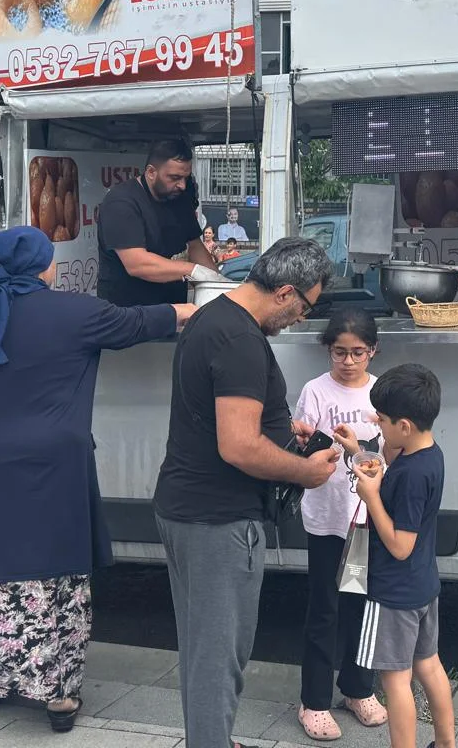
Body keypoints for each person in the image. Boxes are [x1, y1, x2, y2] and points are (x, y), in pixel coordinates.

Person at [0, 227, 194, 733]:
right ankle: (57, 695)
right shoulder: (78, 313)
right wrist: (212, 306)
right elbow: (150, 321)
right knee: (48, 572)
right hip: (43, 469)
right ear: (43, 268)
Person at [153, 237, 343, 748]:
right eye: (305, 306)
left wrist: (285, 436)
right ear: (284, 291)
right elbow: (238, 446)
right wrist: (303, 472)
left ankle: (210, 738)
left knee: (203, 649)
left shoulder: (215, 319)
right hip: (218, 518)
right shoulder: (237, 341)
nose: (303, 318)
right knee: (220, 656)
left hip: (189, 507)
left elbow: (232, 421)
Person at [345, 364, 453, 748]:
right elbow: (391, 450)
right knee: (430, 665)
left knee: (395, 680)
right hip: (423, 585)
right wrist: (358, 450)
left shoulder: (408, 474)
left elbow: (400, 545)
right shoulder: (430, 455)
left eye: (385, 420)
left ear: (404, 425)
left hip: (393, 593)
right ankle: (445, 744)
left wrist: (371, 496)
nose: (380, 425)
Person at [294, 311, 387, 741]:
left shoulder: (380, 394)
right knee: (323, 608)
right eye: (339, 352)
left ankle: (357, 688)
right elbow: (304, 447)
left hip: (367, 519)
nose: (348, 361)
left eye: (357, 353)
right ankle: (313, 701)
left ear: (373, 351)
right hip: (327, 519)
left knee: (362, 607)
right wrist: (306, 443)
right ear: (328, 350)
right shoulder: (315, 390)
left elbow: (389, 453)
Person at [97, 137, 219, 308]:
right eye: (174, 177)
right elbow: (137, 264)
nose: (182, 185)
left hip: (173, 310)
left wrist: (216, 283)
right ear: (151, 172)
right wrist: (191, 270)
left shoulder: (179, 199)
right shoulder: (121, 202)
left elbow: (194, 245)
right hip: (128, 315)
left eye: (185, 177)